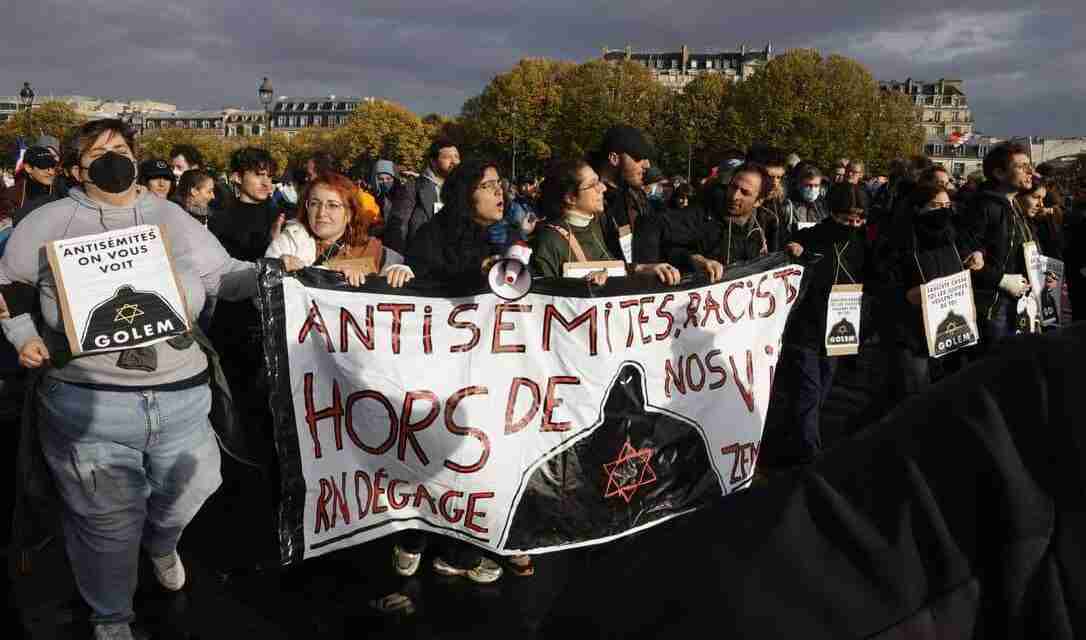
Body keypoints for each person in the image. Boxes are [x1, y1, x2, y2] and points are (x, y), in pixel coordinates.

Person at [0, 118, 284, 640]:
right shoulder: (46, 222)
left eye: (121, 147)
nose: (113, 156)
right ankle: (112, 619)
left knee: (194, 487)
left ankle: (161, 541)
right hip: (92, 405)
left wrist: (273, 273)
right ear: (74, 167)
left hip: (182, 397)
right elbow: (8, 286)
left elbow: (224, 276)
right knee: (106, 526)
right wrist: (23, 336)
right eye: (98, 150)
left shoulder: (171, 215)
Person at [398, 159, 506, 587]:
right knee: (433, 452)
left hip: (475, 363)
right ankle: (414, 536)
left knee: (468, 456)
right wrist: (473, 276)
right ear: (467, 195)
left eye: (501, 184)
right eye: (489, 185)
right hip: (438, 366)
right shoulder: (431, 237)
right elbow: (424, 294)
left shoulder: (490, 238)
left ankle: (454, 546)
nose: (500, 193)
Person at [759, 183, 867, 468]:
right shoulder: (811, 237)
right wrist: (794, 250)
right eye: (846, 219)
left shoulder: (862, 242)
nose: (852, 225)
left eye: (858, 219)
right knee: (808, 391)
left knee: (821, 391)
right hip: (805, 327)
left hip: (839, 328)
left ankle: (790, 440)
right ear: (832, 213)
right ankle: (811, 457)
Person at [876, 184, 981, 404]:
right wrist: (905, 296)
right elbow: (881, 285)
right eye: (935, 206)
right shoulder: (898, 241)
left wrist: (975, 257)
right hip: (910, 334)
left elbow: (968, 256)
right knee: (913, 397)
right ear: (917, 209)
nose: (943, 211)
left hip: (947, 334)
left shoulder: (952, 236)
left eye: (946, 205)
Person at [532, 159, 681, 285]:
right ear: (570, 198)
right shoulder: (549, 240)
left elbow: (613, 267)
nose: (602, 188)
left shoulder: (600, 224)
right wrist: (582, 287)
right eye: (593, 184)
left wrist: (644, 269)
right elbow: (544, 300)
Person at [266, 172, 413, 287]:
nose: (321, 213)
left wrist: (401, 273)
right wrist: (278, 270)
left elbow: (408, 286)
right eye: (314, 204)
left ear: (349, 213)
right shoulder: (289, 241)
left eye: (332, 205)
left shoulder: (375, 250)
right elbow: (261, 298)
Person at [957, 143, 1034, 345]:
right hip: (993, 305)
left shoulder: (1014, 204)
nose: (1030, 171)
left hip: (1017, 303)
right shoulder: (983, 206)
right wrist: (1002, 279)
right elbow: (965, 253)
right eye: (1021, 166)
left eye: (1029, 165)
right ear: (999, 173)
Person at [681, 163, 771, 282]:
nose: (734, 196)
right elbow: (671, 249)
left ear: (758, 201)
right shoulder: (701, 216)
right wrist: (698, 260)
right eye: (733, 187)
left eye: (745, 192)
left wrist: (798, 244)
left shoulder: (768, 221)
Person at [593, 125, 653, 263]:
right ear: (614, 158)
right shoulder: (585, 201)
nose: (647, 165)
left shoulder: (637, 196)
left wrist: (689, 258)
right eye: (638, 157)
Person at [390, 139, 460, 254]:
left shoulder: (463, 190)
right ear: (433, 161)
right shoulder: (413, 187)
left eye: (457, 157)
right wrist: (399, 261)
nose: (455, 162)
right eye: (447, 157)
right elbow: (398, 228)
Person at [0, 146, 64, 227]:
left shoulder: (60, 190)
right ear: (28, 168)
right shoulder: (11, 196)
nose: (51, 172)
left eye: (52, 166)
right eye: (43, 166)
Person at [750, 147, 794, 252]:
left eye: (779, 177)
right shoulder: (735, 203)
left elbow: (781, 240)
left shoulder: (775, 205)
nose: (775, 183)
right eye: (770, 176)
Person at [1016, 180, 1064, 258]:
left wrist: (1055, 268)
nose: (1041, 205)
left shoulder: (1031, 224)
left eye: (1042, 199)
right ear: (1018, 195)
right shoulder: (1011, 223)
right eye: (1035, 197)